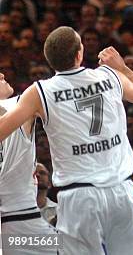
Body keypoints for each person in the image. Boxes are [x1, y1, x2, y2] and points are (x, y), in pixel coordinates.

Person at [0, 26, 133, 255]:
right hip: (119, 191)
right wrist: (124, 68)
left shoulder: (37, 93)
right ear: (80, 53)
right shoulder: (110, 76)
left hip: (74, 199)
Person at [0, 73, 57, 255]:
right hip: (21, 221)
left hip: (17, 220)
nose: (2, 75)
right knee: (72, 248)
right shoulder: (20, 104)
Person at [36, 162, 58, 226]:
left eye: (42, 173)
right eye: (34, 173)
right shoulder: (17, 210)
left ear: (49, 184)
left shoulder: (59, 211)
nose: (37, 175)